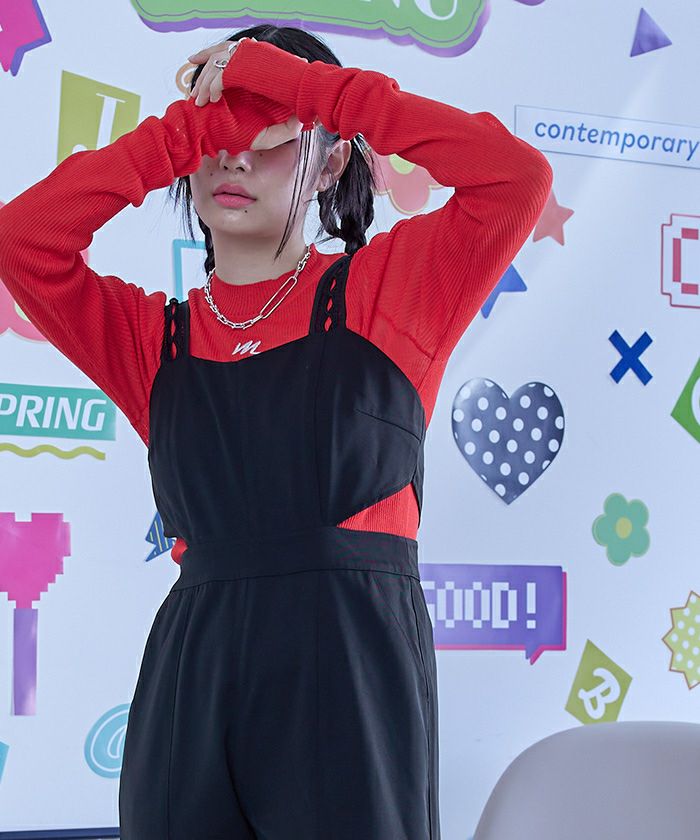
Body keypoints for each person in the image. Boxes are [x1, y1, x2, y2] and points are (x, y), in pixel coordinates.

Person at [0, 23, 553, 840]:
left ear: (330, 163)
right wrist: (178, 136)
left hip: (349, 682)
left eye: (271, 138)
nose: (236, 158)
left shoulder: (387, 293)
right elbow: (23, 240)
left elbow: (515, 179)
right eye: (219, 136)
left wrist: (311, 92)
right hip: (193, 691)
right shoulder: (155, 341)